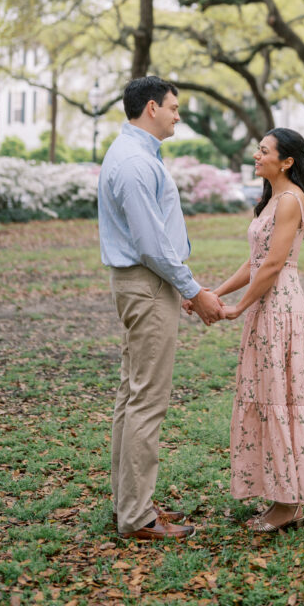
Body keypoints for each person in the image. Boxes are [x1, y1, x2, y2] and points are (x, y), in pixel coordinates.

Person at [98, 75, 223, 541]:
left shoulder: (137, 153)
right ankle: (136, 517)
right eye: (173, 107)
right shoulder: (133, 161)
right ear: (151, 107)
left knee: (132, 396)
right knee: (146, 400)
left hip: (146, 284)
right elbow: (151, 244)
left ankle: (130, 504)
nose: (177, 115)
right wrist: (193, 290)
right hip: (147, 285)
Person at [214, 128, 304, 533]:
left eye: (264, 151)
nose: (256, 155)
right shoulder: (269, 201)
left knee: (283, 398)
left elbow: (273, 265)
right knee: (268, 395)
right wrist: (215, 293)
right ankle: (281, 494)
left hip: (280, 306)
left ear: (286, 161)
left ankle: (291, 502)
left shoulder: (289, 200)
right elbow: (254, 262)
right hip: (265, 306)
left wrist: (237, 309)